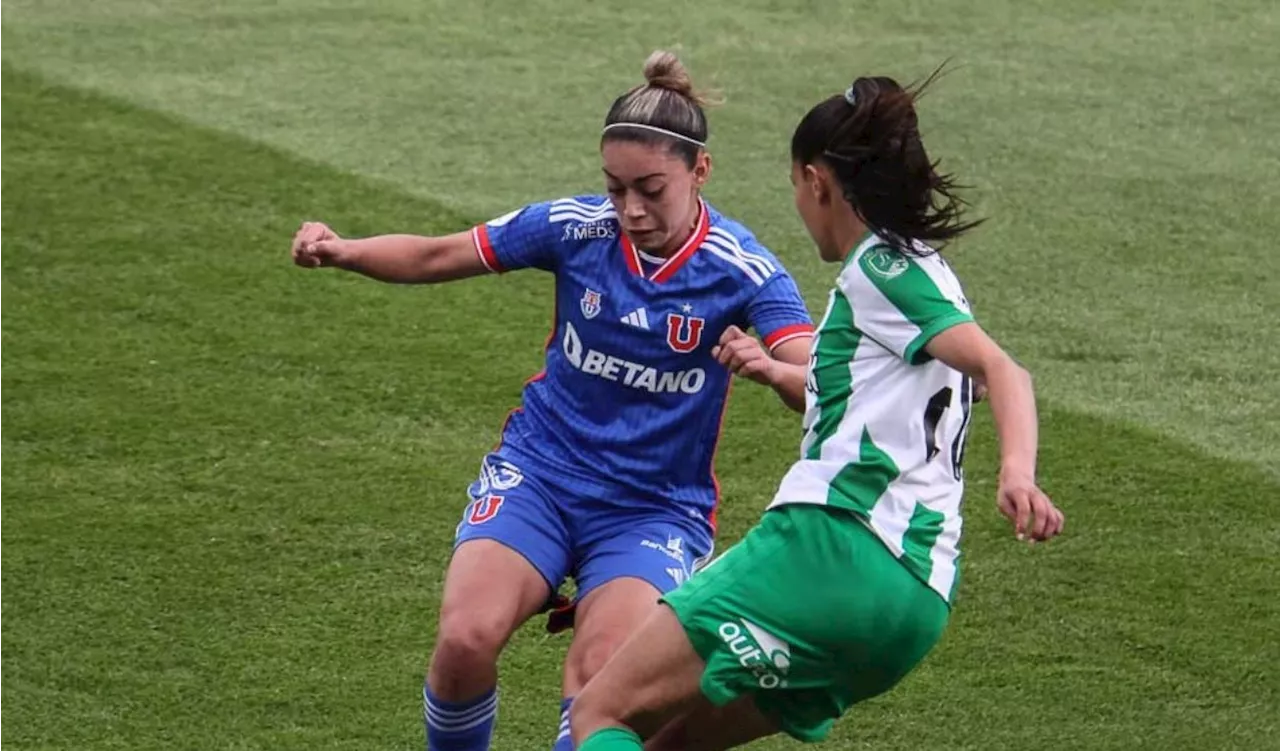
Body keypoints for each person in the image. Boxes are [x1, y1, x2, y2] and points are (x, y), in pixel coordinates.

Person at [290, 51, 815, 751]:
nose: (629, 208)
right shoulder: (574, 228)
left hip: (652, 506)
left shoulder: (743, 269)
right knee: (464, 637)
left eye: (650, 189)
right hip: (539, 473)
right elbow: (440, 255)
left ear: (700, 172)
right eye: (615, 187)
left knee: (601, 682)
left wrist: (769, 368)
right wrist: (344, 250)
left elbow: (816, 377)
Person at [568, 71, 1067, 751]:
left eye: (796, 189)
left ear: (817, 181)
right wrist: (776, 368)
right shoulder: (934, 276)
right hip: (912, 604)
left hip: (829, 549)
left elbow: (1004, 369)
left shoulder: (878, 271)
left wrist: (1018, 472)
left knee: (603, 712)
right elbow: (887, 391)